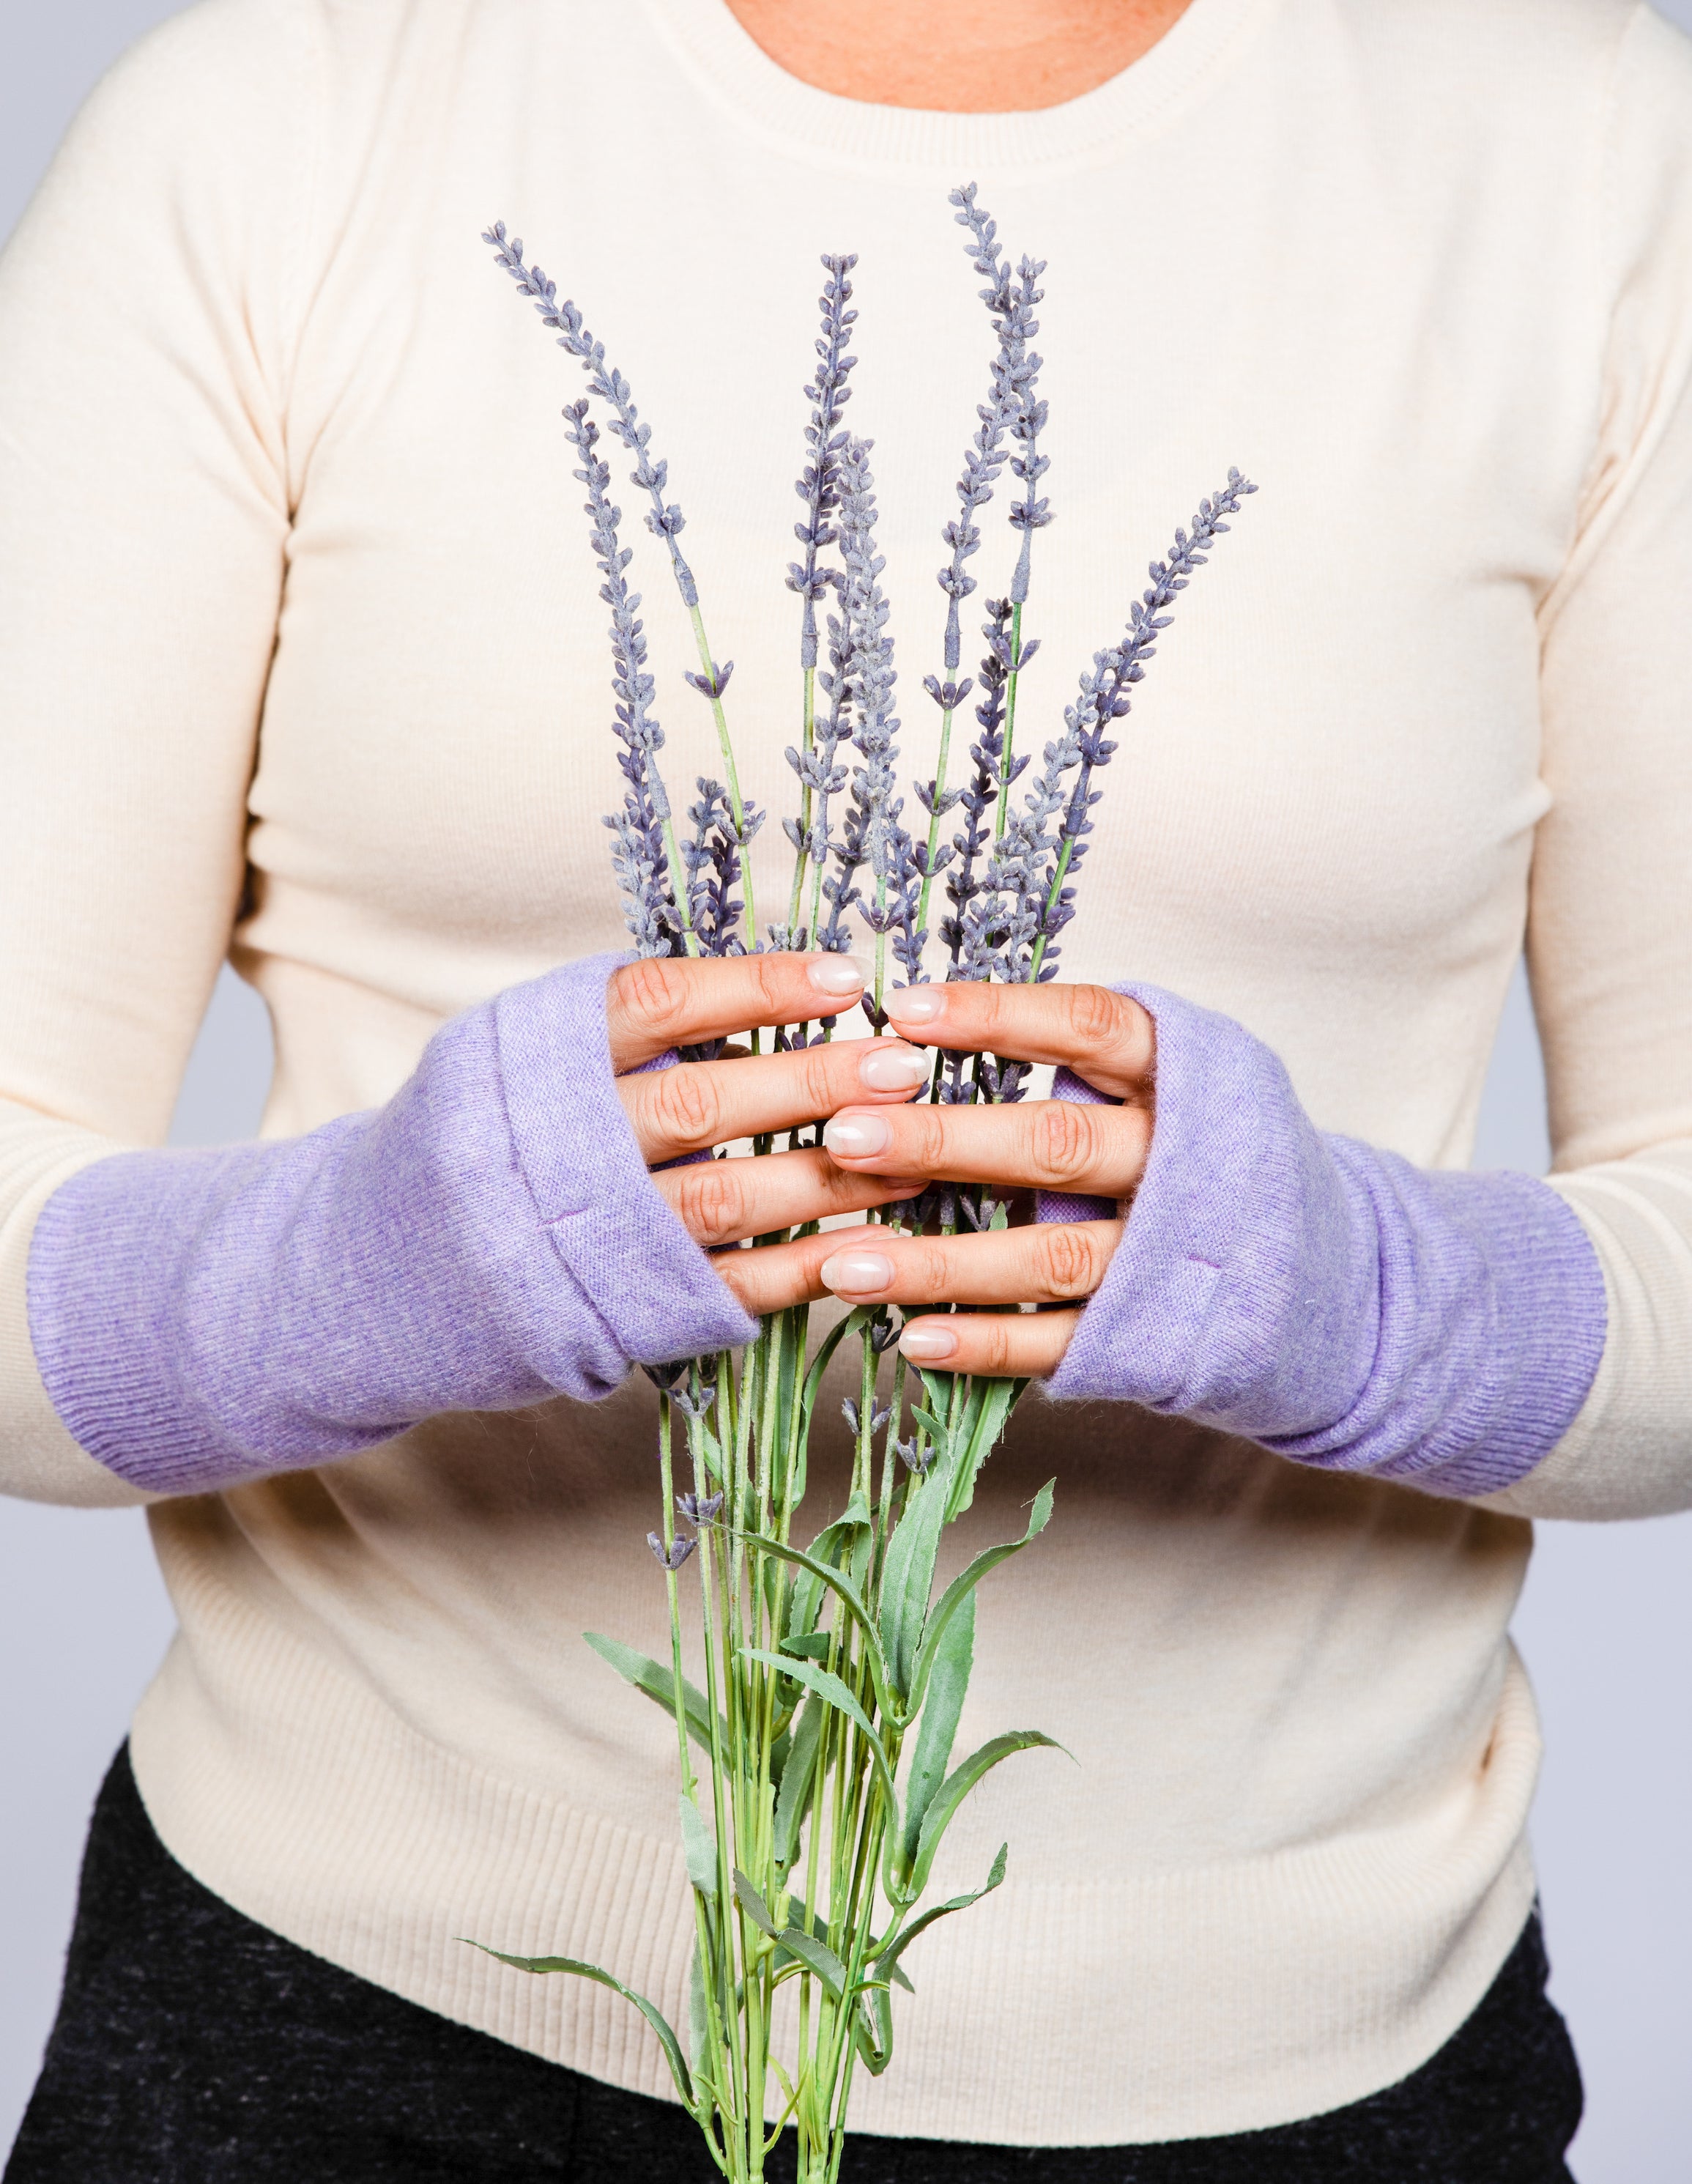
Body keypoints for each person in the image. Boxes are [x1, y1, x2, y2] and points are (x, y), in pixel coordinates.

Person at [3, 0, 1689, 2175]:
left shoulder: (1578, 140)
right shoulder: (292, 110)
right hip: (353, 2043)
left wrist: (1356, 1299)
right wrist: (383, 1259)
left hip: (1306, 2086)